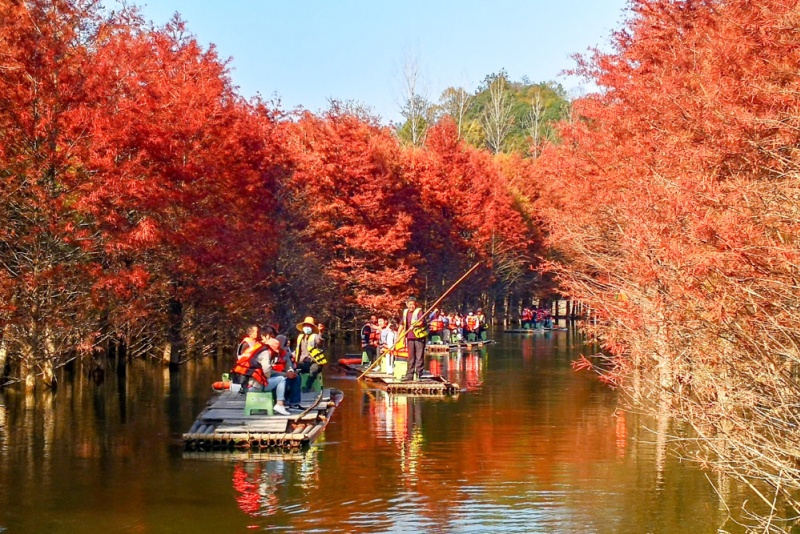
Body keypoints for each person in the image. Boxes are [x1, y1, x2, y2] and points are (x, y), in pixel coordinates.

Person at [295, 316, 327, 392]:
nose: (307, 327)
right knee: (292, 368)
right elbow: (296, 351)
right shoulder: (300, 337)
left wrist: (320, 332)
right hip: (302, 362)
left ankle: (308, 387)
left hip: (314, 362)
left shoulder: (315, 336)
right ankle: (294, 388)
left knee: (314, 369)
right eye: (306, 325)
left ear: (312, 327)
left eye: (309, 326)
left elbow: (319, 341)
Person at [400, 296, 428, 382]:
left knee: (419, 356)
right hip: (409, 337)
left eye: (413, 304)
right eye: (409, 304)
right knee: (410, 356)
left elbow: (421, 322)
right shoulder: (405, 312)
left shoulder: (419, 311)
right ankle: (409, 374)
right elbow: (402, 324)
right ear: (407, 304)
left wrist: (415, 325)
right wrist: (398, 336)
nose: (411, 306)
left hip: (419, 336)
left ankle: (419, 373)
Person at [276, 334, 302, 408]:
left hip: (282, 374)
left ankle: (294, 403)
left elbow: (289, 365)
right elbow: (269, 372)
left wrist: (290, 371)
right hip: (273, 376)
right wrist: (285, 374)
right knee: (282, 380)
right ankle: (282, 401)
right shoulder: (270, 353)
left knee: (296, 377)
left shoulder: (285, 354)